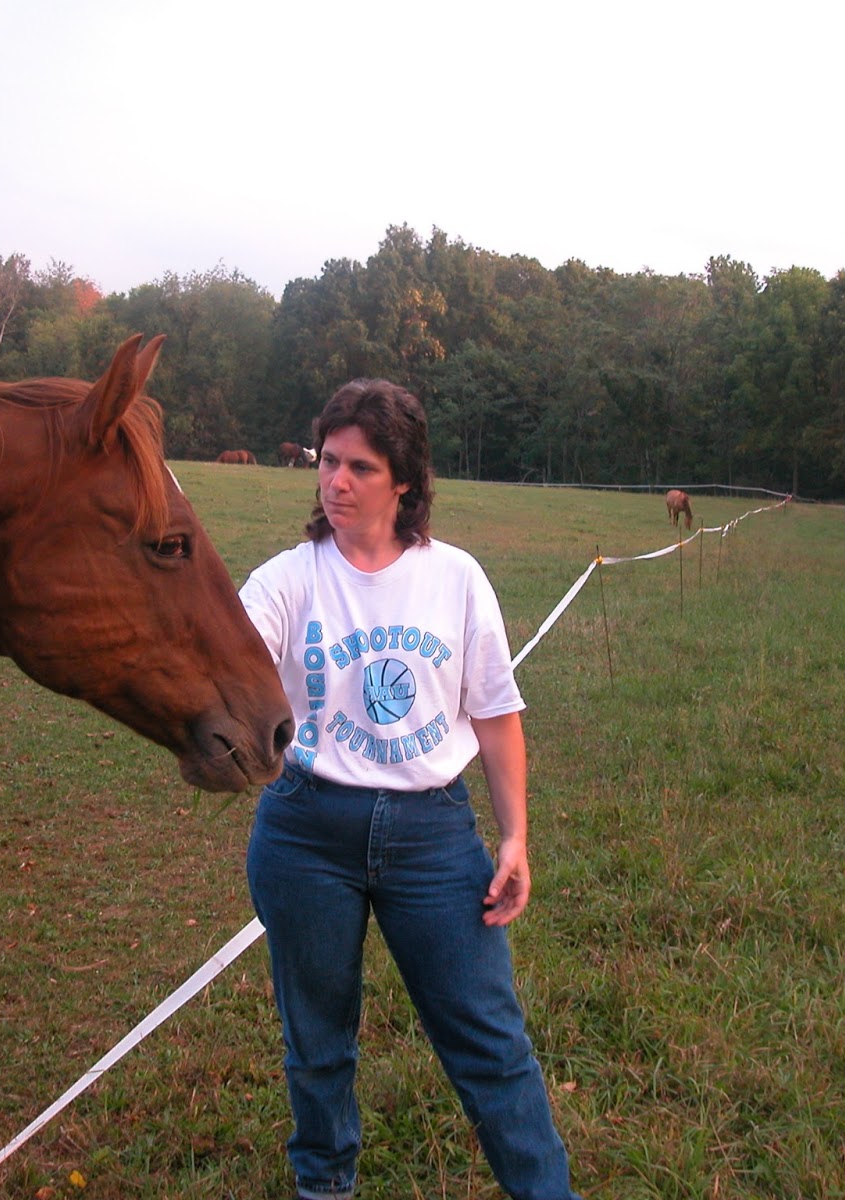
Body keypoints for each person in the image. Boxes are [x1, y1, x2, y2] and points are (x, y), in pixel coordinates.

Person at [241, 379, 581, 1200]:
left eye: (361, 466)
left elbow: (495, 714)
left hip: (432, 836)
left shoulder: (455, 578)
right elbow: (229, 657)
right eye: (329, 461)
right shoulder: (288, 580)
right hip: (305, 832)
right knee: (317, 1044)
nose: (337, 481)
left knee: (490, 1043)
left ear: (403, 481)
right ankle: (325, 1187)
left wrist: (514, 838)